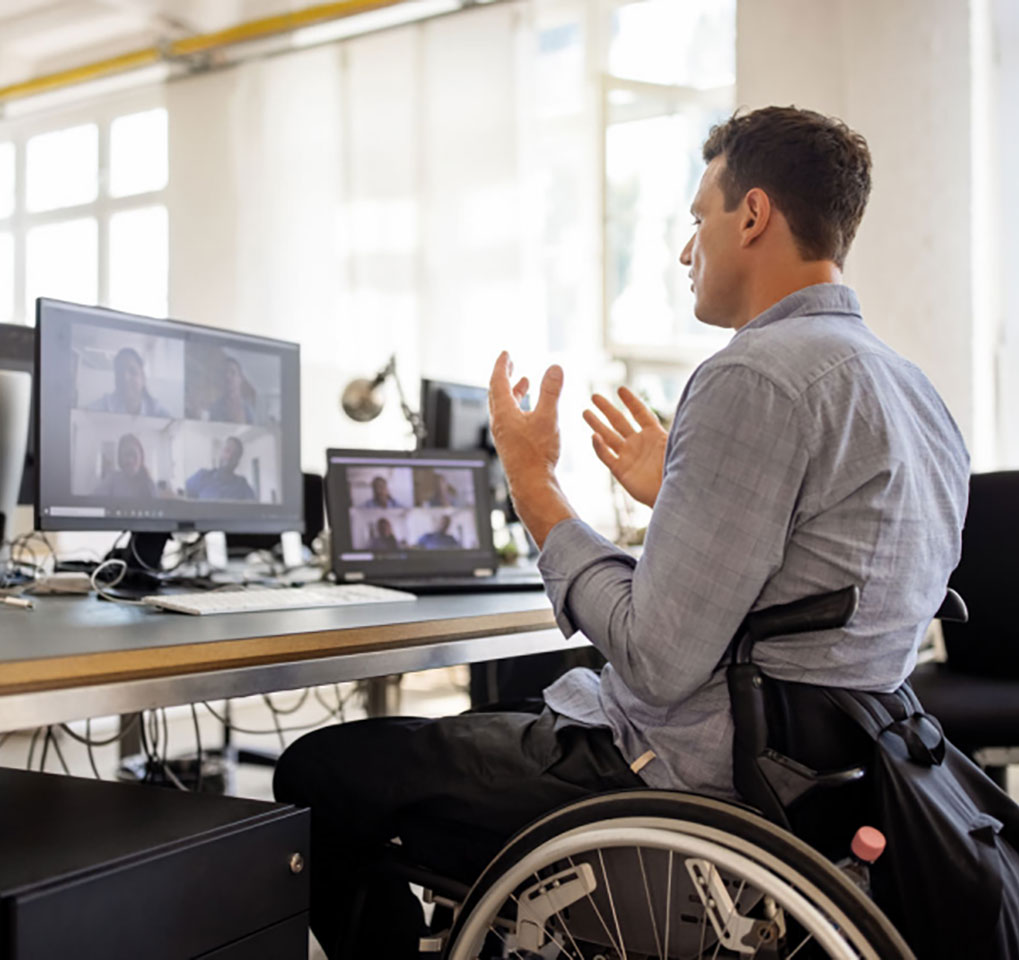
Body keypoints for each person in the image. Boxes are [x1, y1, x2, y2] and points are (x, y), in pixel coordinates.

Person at [273, 107, 970, 958]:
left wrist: (535, 488)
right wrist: (675, 498)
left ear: (750, 216)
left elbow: (659, 656)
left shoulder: (753, 373)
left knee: (321, 773)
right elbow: (812, 584)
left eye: (695, 221)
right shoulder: (909, 388)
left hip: (678, 779)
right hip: (819, 775)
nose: (686, 252)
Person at [86, 346, 171, 418]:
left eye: (132, 371)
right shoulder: (106, 403)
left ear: (143, 378)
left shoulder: (155, 408)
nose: (125, 378)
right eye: (120, 372)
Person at [185, 436, 255, 501]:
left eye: (235, 454)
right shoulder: (202, 476)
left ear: (237, 462)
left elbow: (254, 509)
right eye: (227, 450)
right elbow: (183, 498)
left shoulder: (242, 486)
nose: (229, 456)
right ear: (221, 452)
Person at [92, 433, 156, 499]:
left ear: (141, 456)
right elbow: (92, 501)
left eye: (133, 454)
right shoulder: (112, 480)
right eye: (126, 455)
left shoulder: (150, 485)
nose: (130, 460)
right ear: (120, 458)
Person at [207, 356, 257, 424]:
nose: (227, 376)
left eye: (233, 372)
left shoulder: (248, 410)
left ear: (240, 378)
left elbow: (251, 433)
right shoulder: (214, 408)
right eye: (224, 372)